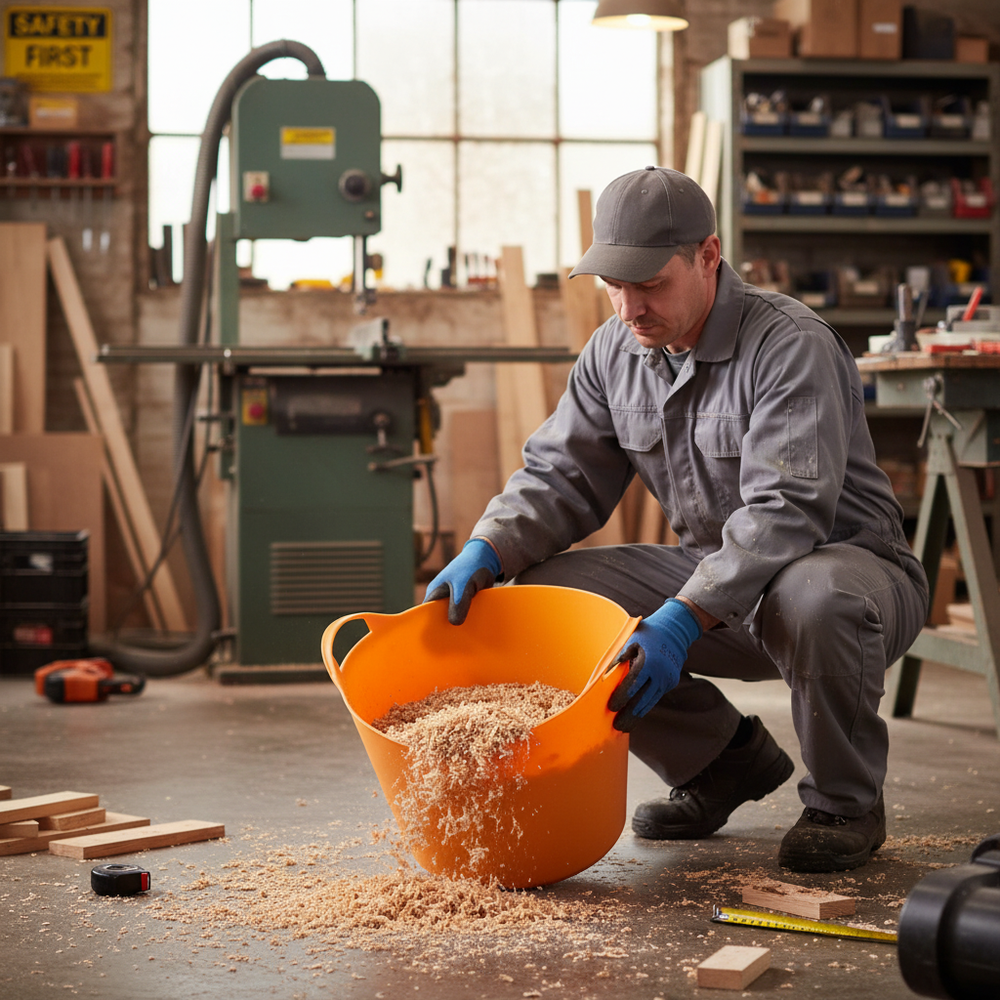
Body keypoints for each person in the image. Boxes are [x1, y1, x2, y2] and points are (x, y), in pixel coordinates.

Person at [423, 166, 929, 874]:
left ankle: (845, 803)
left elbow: (787, 511)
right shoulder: (615, 350)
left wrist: (685, 615)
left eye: (651, 284)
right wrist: (489, 544)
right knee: (551, 602)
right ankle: (721, 762)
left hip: (852, 579)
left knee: (812, 595)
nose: (630, 307)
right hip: (720, 584)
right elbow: (561, 474)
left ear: (708, 256)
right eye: (613, 285)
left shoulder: (790, 344)